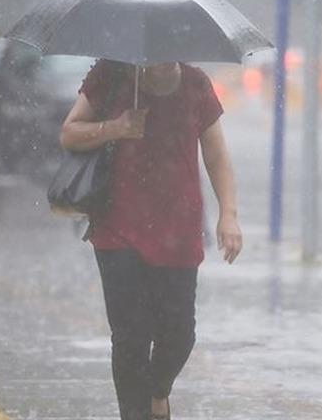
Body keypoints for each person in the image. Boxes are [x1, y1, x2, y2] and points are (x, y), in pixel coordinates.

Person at [60, 59, 242, 420]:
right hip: (118, 226)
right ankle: (134, 413)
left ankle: (158, 392)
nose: (163, 56)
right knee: (130, 337)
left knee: (179, 334)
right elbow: (69, 132)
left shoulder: (195, 84)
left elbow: (216, 155)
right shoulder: (110, 74)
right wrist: (115, 128)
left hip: (179, 227)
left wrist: (229, 214)